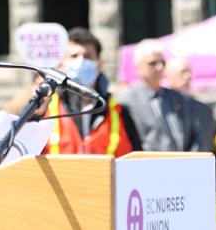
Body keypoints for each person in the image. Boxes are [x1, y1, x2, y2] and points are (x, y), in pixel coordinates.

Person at [41, 27, 141, 156]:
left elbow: (135, 157)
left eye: (87, 56)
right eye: (74, 56)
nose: (81, 61)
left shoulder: (119, 111)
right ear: (62, 64)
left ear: (99, 65)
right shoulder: (46, 108)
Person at [118, 39, 202, 152]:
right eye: (152, 63)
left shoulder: (178, 98)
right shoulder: (126, 100)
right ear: (139, 66)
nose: (159, 67)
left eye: (162, 63)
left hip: (180, 163)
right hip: (145, 165)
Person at [165, 57, 215, 151]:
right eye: (183, 72)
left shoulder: (203, 110)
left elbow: (202, 147)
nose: (188, 76)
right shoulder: (159, 106)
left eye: (189, 72)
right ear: (169, 75)